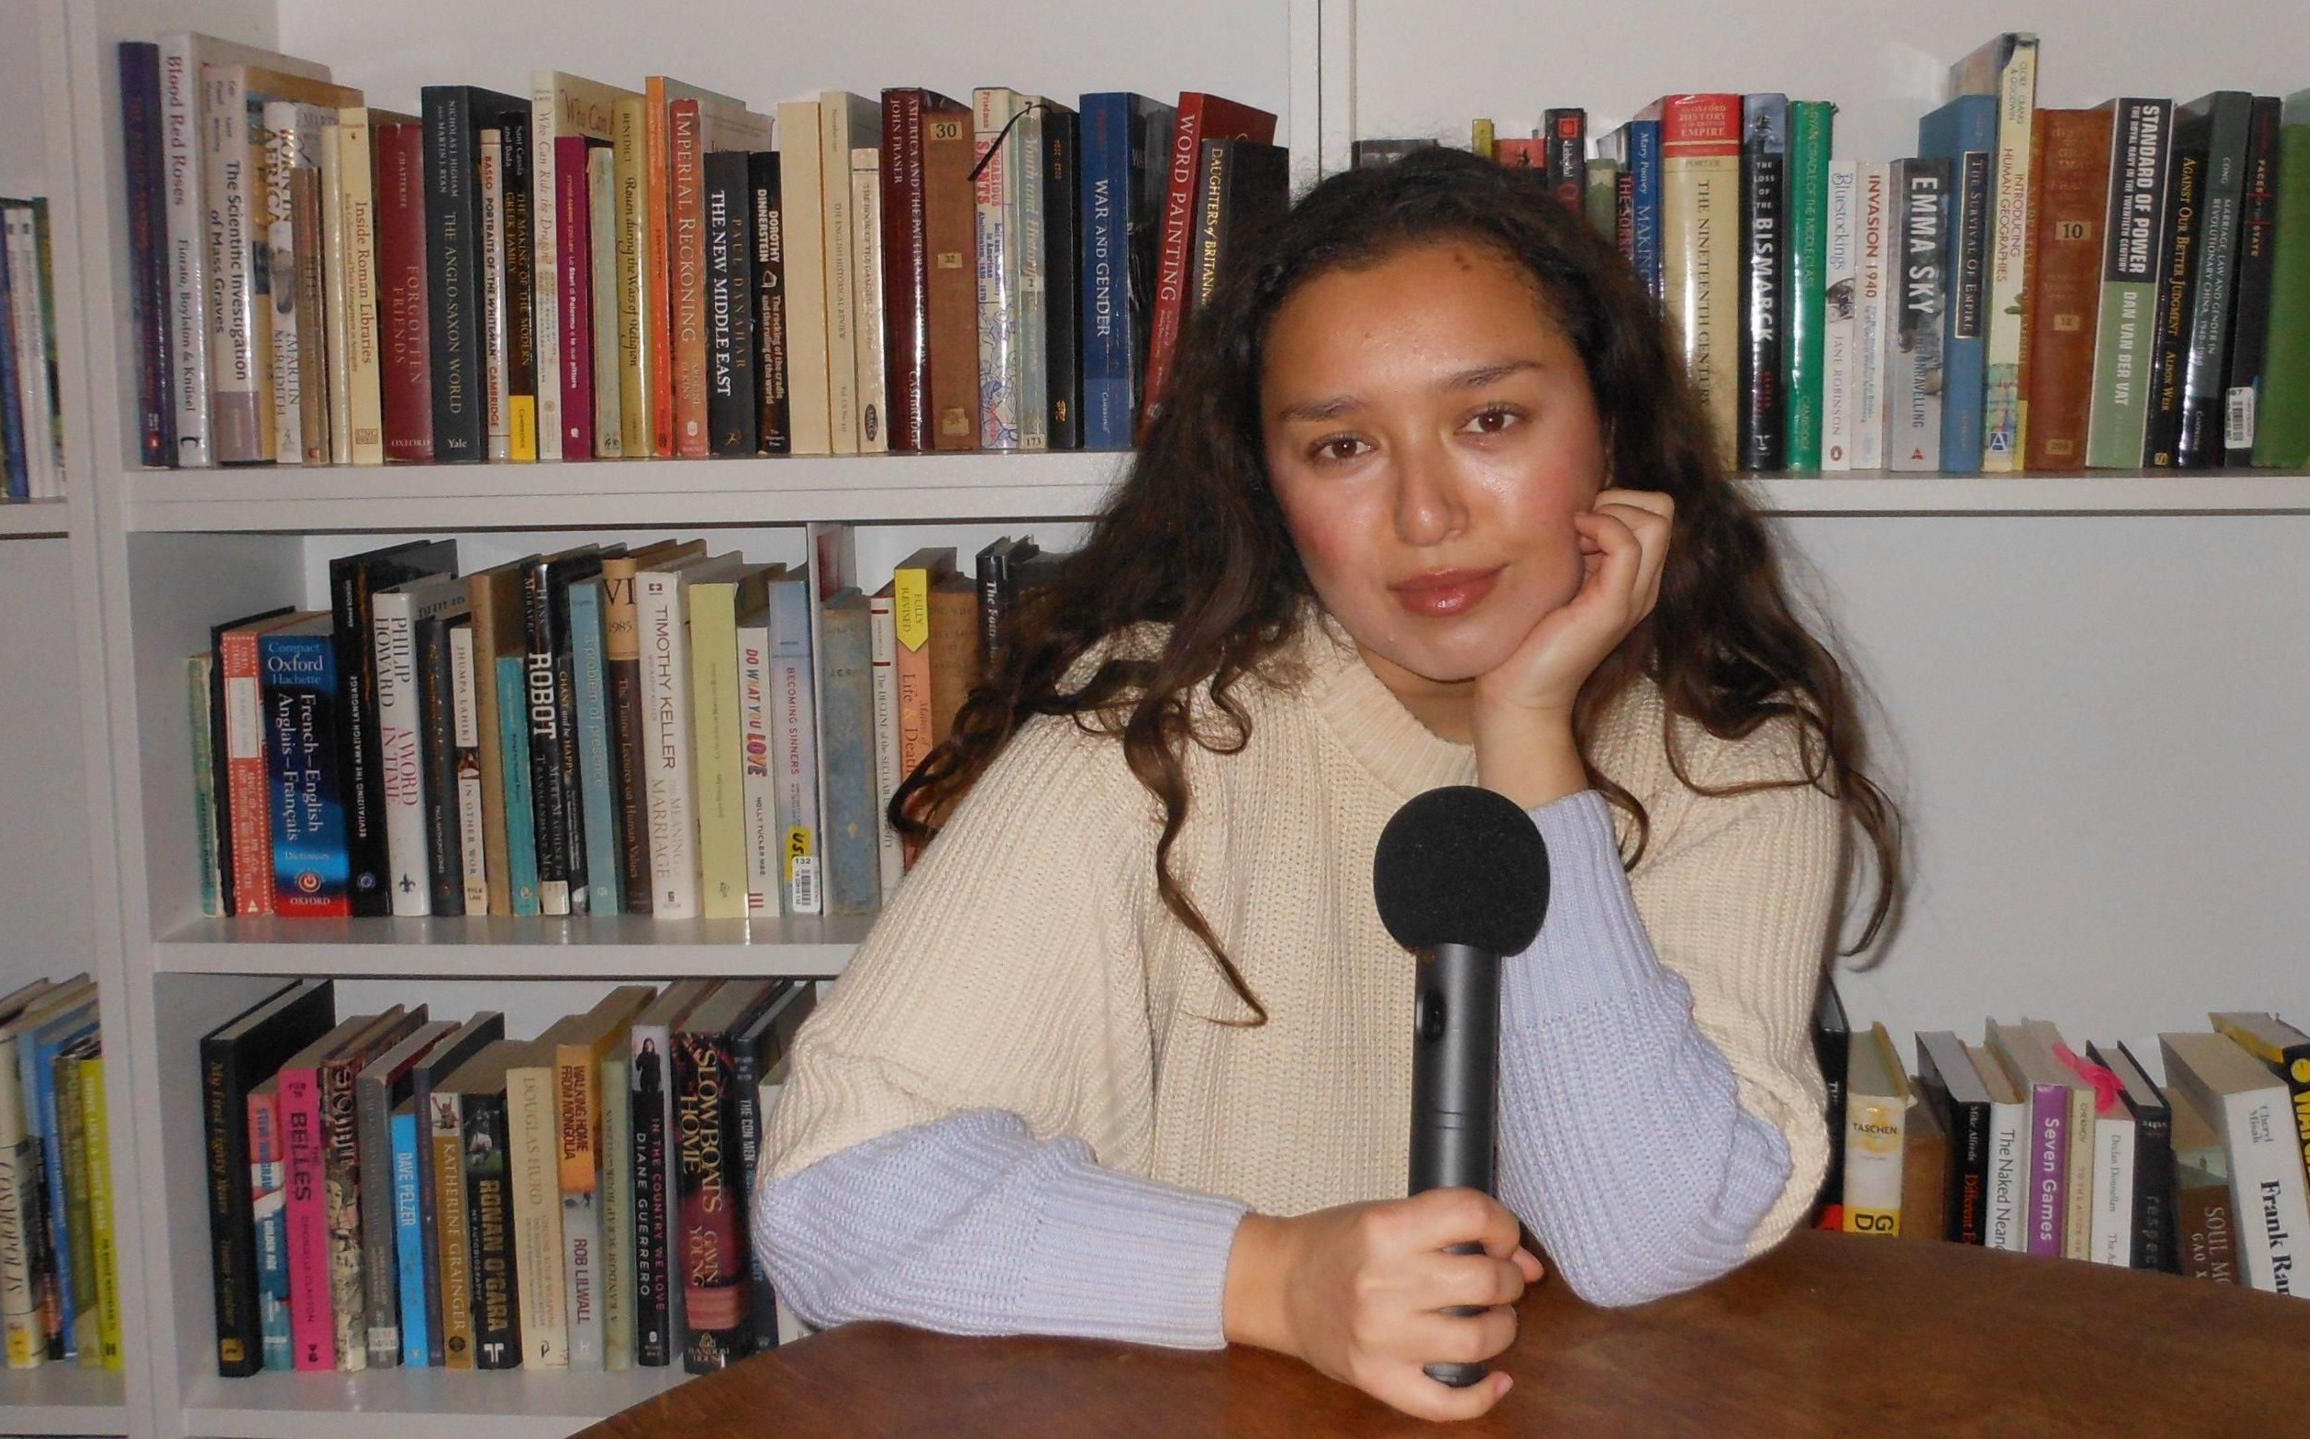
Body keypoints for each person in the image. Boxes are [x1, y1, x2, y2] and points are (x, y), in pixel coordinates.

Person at [752, 146, 1903, 1422]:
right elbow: (827, 1191)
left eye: (1490, 421)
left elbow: (1639, 1234)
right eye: (1343, 444)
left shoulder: (1733, 747)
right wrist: (1277, 1276)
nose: (1425, 513)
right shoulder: (1155, 730)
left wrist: (1526, 733)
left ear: (1613, 425)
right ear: (1268, 482)